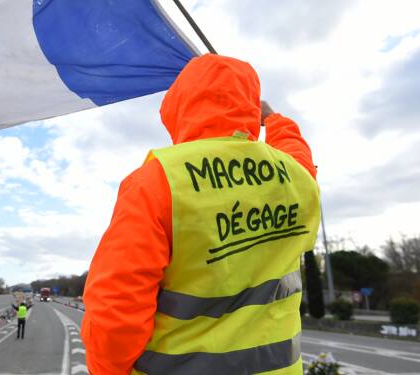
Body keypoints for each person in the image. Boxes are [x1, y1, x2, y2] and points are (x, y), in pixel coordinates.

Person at [81, 54, 320, 374]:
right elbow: (299, 154)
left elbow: (117, 308)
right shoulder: (294, 176)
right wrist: (275, 120)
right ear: (251, 105)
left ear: (178, 106)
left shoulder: (157, 182)